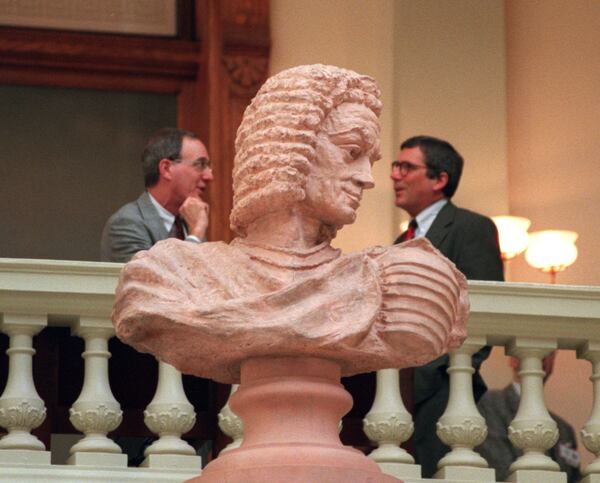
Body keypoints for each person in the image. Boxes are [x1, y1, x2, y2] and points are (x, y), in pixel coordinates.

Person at [112, 64, 468, 386]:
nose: (366, 178)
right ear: (289, 146)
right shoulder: (168, 276)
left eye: (370, 160)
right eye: (351, 152)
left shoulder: (392, 283)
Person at [391, 135, 504, 477]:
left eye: (406, 167)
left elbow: (482, 312)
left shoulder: (471, 228)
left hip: (445, 389)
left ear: (440, 179)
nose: (395, 175)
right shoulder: (400, 243)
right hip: (396, 395)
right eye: (395, 167)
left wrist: (429, 376)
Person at [100, 127, 213, 262]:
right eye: (200, 164)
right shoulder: (126, 224)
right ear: (166, 169)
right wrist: (195, 235)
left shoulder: (190, 220)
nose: (209, 176)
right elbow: (151, 279)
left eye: (209, 166)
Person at [477, 353, 581, 483]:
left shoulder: (565, 429)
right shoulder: (488, 404)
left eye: (550, 352)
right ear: (512, 360)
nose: (543, 355)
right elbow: (501, 469)